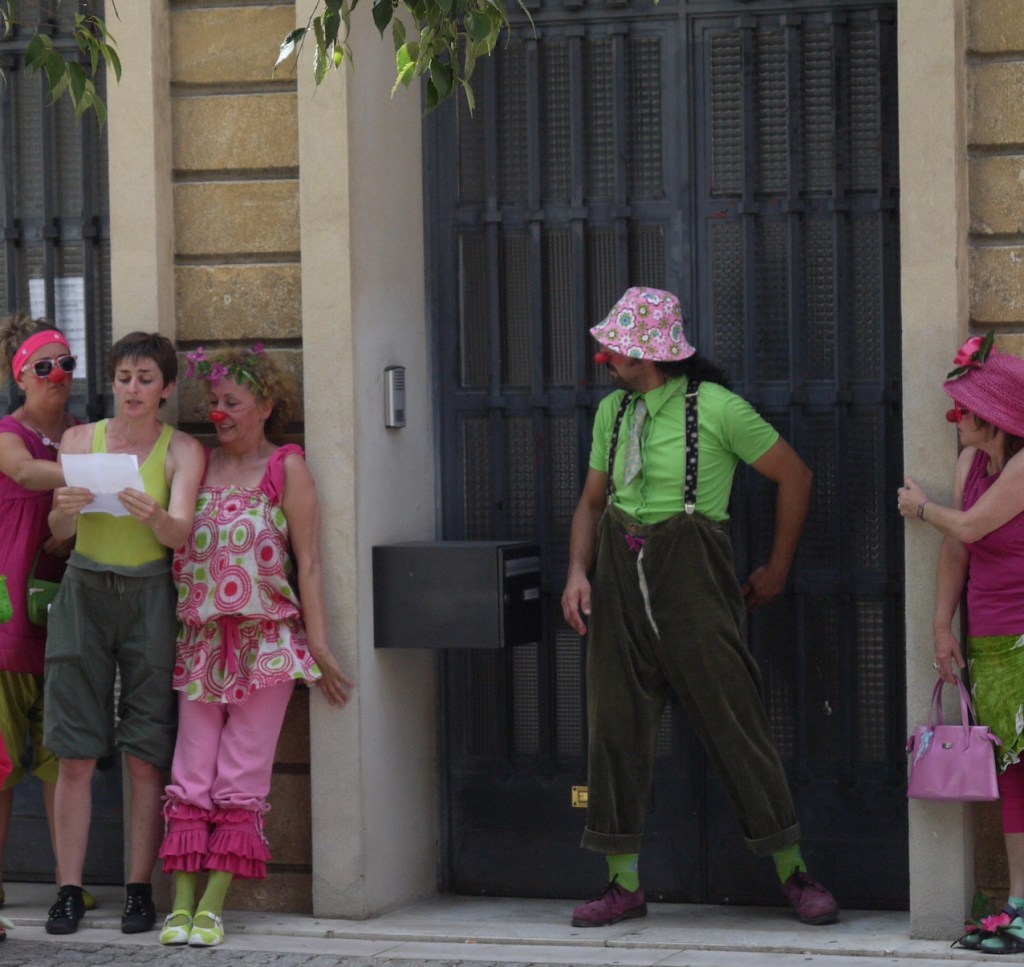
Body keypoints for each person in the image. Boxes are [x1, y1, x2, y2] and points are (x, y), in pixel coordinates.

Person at [561, 287, 837, 928]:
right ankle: (622, 884)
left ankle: (793, 872)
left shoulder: (718, 409)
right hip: (620, 583)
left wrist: (776, 569)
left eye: (618, 347)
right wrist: (578, 572)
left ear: (650, 356)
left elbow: (796, 477)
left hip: (695, 577)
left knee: (736, 720)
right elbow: (592, 503)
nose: (606, 355)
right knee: (615, 726)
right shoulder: (612, 413)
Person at [157, 344, 353, 948]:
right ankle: (180, 907)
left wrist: (318, 646)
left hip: (266, 646)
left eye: (232, 403)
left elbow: (311, 562)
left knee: (241, 778)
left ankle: (212, 908)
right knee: (190, 773)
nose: (219, 413)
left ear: (266, 406)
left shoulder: (286, 469)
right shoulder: (198, 465)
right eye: (214, 402)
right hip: (201, 643)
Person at [43, 331, 205, 936]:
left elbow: (179, 535)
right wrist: (65, 505)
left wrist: (155, 514)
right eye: (124, 377)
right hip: (85, 587)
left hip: (149, 594)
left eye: (145, 379)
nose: (132, 389)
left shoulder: (182, 449)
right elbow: (60, 528)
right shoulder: (81, 439)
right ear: (110, 382)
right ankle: (68, 890)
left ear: (165, 389)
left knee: (144, 752)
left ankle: (139, 889)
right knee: (76, 750)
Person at [897, 333, 1024, 955]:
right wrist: (941, 626)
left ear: (993, 417)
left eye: (967, 406)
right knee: (1014, 773)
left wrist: (921, 509)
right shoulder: (971, 464)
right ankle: (1020, 908)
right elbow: (958, 547)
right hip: (995, 639)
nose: (958, 416)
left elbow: (968, 524)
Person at [0, 315, 86, 935]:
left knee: (65, 765)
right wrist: (106, 472)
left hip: (66, 625)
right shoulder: (9, 435)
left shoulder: (86, 438)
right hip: (6, 623)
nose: (58, 375)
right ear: (20, 376)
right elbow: (27, 475)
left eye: (67, 364)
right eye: (44, 366)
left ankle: (68, 892)